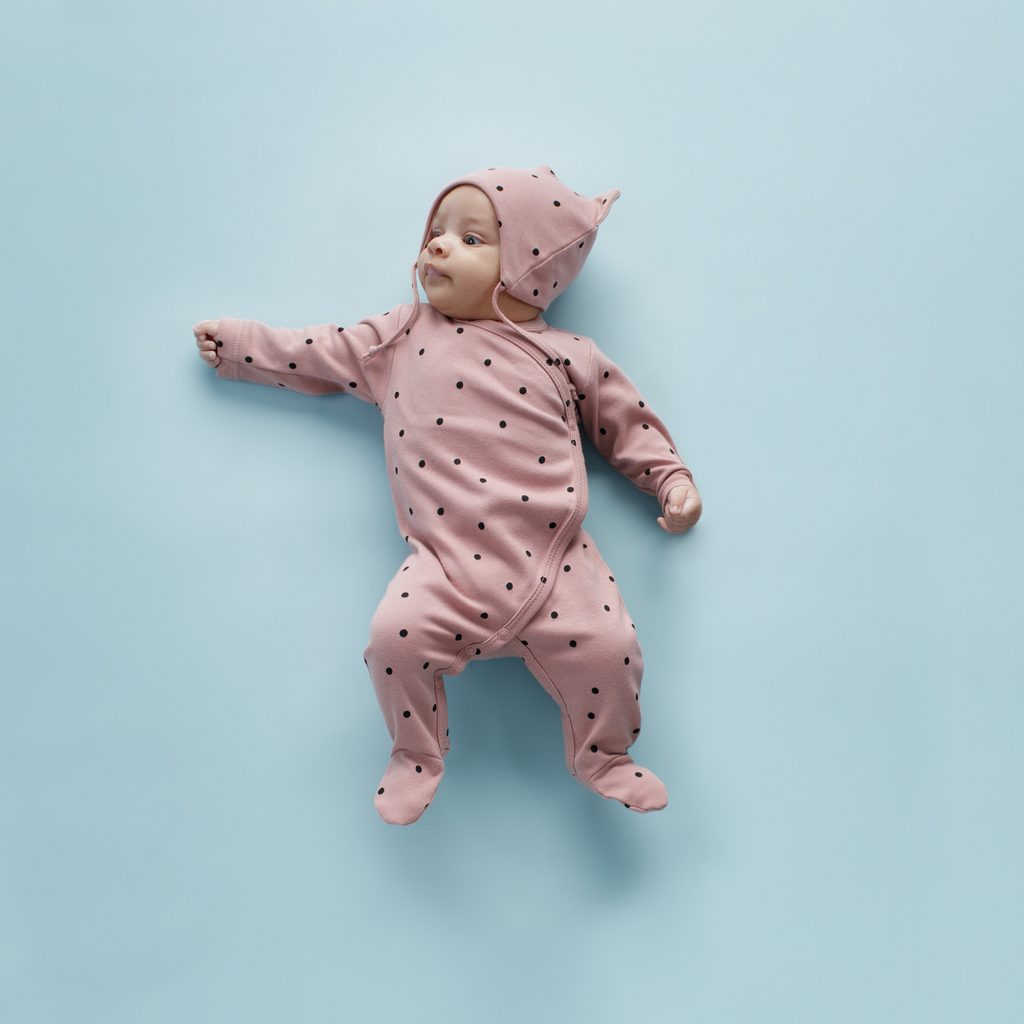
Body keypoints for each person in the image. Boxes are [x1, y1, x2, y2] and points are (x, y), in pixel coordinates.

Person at [194, 165, 702, 825]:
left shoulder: (569, 355)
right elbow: (318, 350)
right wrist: (241, 346)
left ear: (530, 266)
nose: (436, 245)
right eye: (436, 231)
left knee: (612, 650)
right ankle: (416, 753)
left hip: (556, 560)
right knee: (392, 643)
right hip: (445, 561)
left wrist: (671, 480)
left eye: (470, 239)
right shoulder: (401, 337)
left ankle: (604, 754)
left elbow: (627, 423)